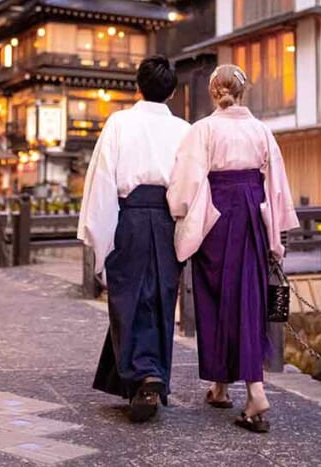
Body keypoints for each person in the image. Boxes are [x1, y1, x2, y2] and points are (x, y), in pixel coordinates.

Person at [167, 64, 299, 433]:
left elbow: (187, 181)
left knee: (216, 298)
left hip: (217, 217)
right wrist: (276, 236)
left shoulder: (203, 130)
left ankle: (254, 390)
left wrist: (177, 212)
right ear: (244, 92)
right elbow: (276, 185)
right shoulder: (261, 131)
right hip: (253, 216)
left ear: (214, 94)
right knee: (248, 299)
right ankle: (222, 386)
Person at [77, 55, 191, 423]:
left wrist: (100, 240)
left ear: (136, 86)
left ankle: (145, 377)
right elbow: (192, 186)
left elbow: (104, 182)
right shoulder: (184, 130)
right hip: (168, 219)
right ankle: (141, 377)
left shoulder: (119, 123)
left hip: (129, 216)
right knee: (159, 300)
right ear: (172, 91)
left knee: (127, 300)